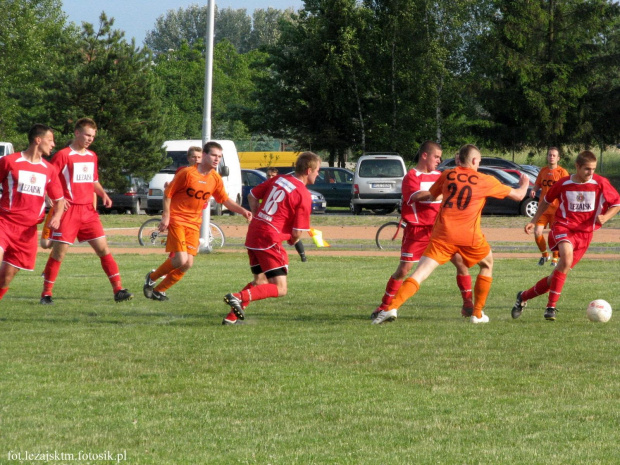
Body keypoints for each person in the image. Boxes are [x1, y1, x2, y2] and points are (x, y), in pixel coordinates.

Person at [372, 144, 529, 324]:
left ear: (458, 160)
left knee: (420, 273)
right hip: (468, 236)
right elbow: (518, 196)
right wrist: (524, 185)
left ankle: (392, 308)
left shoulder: (446, 175)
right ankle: (477, 314)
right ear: (475, 161)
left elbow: (431, 195)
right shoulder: (484, 179)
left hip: (442, 234)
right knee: (487, 265)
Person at [512, 150, 620, 321]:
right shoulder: (564, 183)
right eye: (587, 169)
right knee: (566, 258)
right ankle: (551, 307)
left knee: (555, 277)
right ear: (577, 166)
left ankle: (523, 297)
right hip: (563, 227)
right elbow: (546, 201)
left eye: (593, 169)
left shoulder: (600, 182)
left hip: (585, 234)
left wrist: (606, 217)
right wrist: (534, 220)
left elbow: (617, 203)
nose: (591, 173)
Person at [372, 141, 474, 320]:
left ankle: (468, 305)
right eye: (436, 156)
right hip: (417, 231)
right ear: (425, 155)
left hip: (440, 231)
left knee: (461, 264)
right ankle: (384, 306)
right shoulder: (411, 176)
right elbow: (417, 196)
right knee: (404, 270)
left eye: (440, 157)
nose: (439, 160)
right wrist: (439, 191)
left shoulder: (440, 175)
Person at [39, 118, 133, 304]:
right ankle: (46, 294)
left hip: (88, 211)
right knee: (59, 253)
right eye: (87, 135)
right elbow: (48, 178)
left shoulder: (92, 156)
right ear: (77, 133)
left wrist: (103, 194)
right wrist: (54, 199)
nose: (90, 139)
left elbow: (92, 180)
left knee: (103, 249)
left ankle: (118, 290)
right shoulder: (63, 155)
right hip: (69, 211)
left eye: (93, 136)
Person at [143, 142, 251, 301]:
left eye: (220, 156)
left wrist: (242, 210)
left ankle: (159, 290)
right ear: (205, 155)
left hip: (194, 224)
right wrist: (166, 216)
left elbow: (225, 200)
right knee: (180, 259)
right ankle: (152, 278)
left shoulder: (215, 178)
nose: (217, 159)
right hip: (178, 219)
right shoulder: (187, 173)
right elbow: (168, 193)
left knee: (187, 264)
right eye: (214, 155)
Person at [222, 151, 320, 325]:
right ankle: (237, 297)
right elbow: (297, 233)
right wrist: (292, 240)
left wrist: (258, 216)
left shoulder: (279, 179)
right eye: (317, 170)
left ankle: (231, 318)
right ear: (308, 170)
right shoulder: (303, 194)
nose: (318, 174)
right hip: (269, 237)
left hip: (254, 232)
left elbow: (252, 195)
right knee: (281, 288)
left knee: (260, 280)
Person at [0, 124, 65, 302]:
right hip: (4, 222)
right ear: (38, 140)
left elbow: (60, 200)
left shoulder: (49, 169)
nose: (53, 144)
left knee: (5, 278)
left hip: (27, 231)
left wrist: (57, 217)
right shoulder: (9, 162)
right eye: (50, 140)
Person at [531, 147, 570, 266]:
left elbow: (567, 188)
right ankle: (544, 255)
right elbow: (537, 184)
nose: (551, 157)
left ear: (558, 158)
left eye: (554, 155)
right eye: (549, 155)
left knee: (555, 235)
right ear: (547, 157)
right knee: (537, 232)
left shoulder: (562, 172)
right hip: (543, 208)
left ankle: (555, 257)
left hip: (556, 209)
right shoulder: (543, 171)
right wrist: (533, 190)